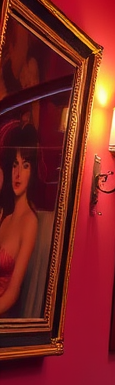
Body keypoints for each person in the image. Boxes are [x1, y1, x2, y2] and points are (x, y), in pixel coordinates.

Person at [0, 123, 41, 317]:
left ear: (32, 171)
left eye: (25, 166)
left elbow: (13, 292)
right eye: (15, 165)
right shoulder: (5, 217)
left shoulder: (30, 221)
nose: (17, 174)